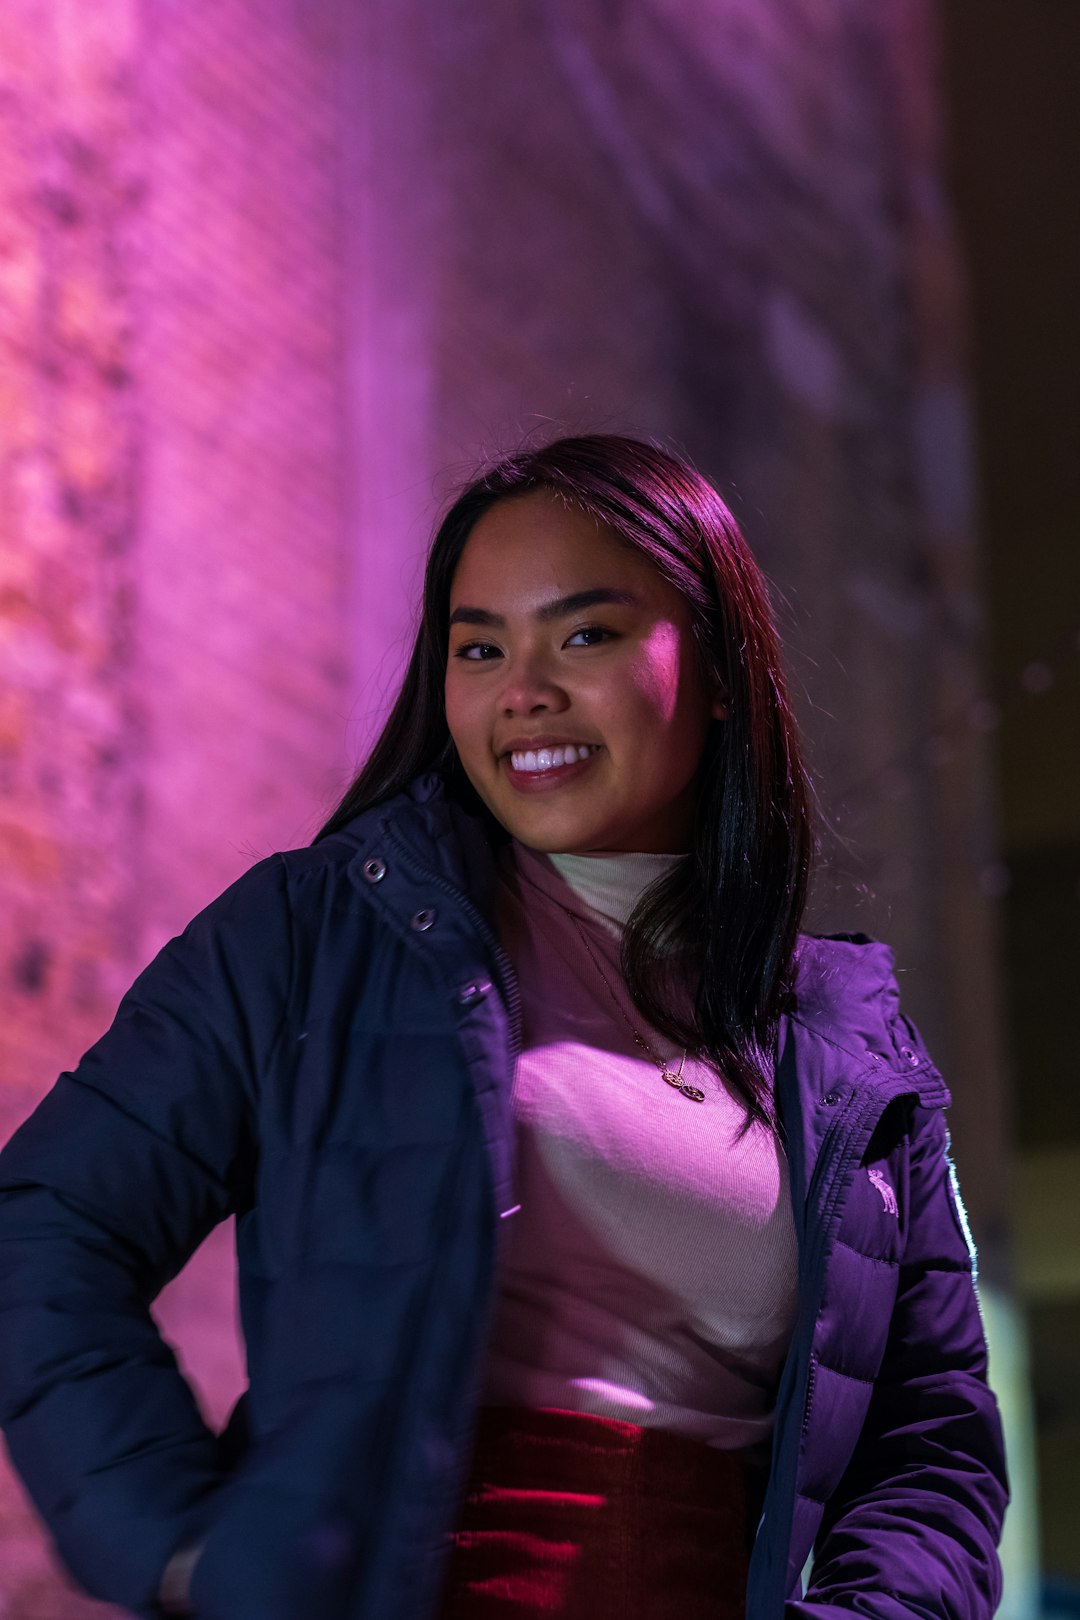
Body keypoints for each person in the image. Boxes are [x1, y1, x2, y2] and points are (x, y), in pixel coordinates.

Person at [0, 435, 1007, 1620]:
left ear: (723, 667)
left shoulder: (854, 1057)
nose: (524, 688)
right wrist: (176, 1545)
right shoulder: (318, 934)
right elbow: (45, 1229)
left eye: (585, 634)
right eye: (480, 647)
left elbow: (931, 1442)